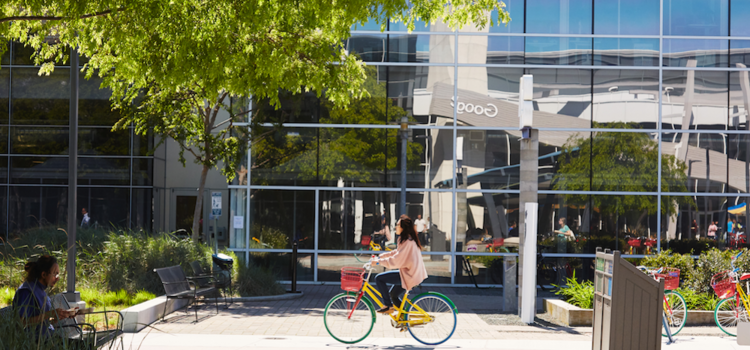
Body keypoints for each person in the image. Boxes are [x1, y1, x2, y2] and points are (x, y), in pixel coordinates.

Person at [371, 215, 428, 315]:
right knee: (393, 295)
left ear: (403, 228)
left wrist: (378, 262)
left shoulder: (408, 242)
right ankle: (404, 317)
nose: (395, 227)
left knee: (379, 278)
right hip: (408, 272)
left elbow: (396, 260)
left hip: (410, 275)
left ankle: (388, 306)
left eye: (398, 225)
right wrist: (382, 256)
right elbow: (397, 252)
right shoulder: (405, 240)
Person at [13, 255, 76, 337]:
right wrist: (49, 314)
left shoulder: (41, 290)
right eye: (54, 274)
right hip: (34, 342)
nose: (57, 278)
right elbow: (21, 323)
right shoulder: (26, 292)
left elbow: (41, 322)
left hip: (48, 337)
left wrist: (58, 317)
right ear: (43, 274)